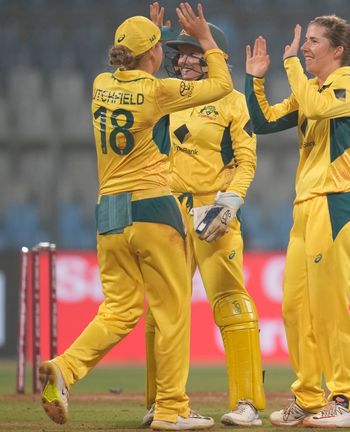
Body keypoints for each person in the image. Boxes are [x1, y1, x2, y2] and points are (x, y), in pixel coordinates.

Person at [38, 3, 232, 430]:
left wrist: (151, 37)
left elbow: (138, 71)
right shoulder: (157, 92)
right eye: (159, 48)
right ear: (153, 55)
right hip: (152, 208)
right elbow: (221, 84)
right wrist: (204, 39)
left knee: (119, 309)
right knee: (172, 312)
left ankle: (65, 370)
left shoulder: (99, 84)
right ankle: (170, 409)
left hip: (108, 212)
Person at [244, 16, 350, 428]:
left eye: (315, 41)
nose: (305, 47)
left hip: (337, 207)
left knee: (329, 310)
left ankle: (347, 401)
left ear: (338, 51)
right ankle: (309, 398)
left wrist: (290, 66)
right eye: (306, 41)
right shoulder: (312, 89)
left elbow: (314, 106)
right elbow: (261, 122)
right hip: (306, 209)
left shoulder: (347, 88)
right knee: (296, 308)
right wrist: (255, 80)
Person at [141, 8, 265, 428]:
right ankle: (162, 404)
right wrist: (153, 32)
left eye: (195, 52)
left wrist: (229, 202)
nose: (186, 60)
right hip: (169, 210)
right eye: (181, 53)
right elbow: (139, 76)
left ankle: (247, 403)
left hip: (214, 209)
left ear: (216, 57)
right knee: (163, 310)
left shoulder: (232, 100)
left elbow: (246, 160)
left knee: (231, 302)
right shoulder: (166, 93)